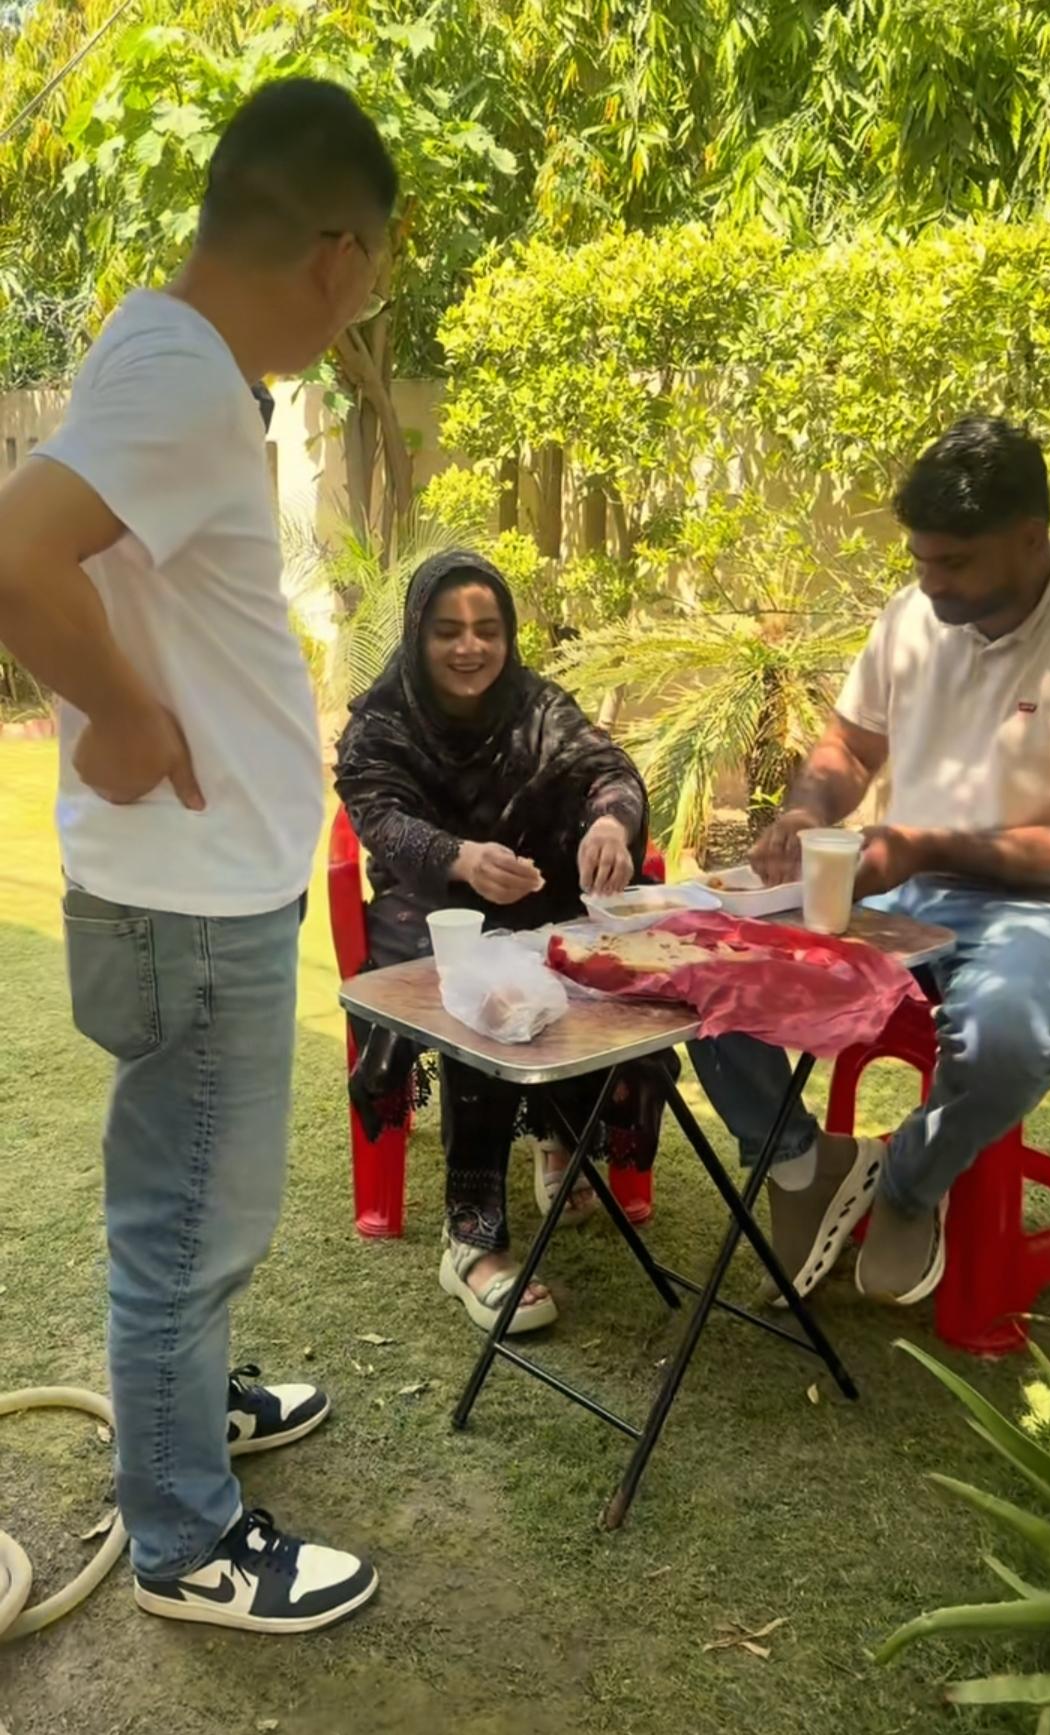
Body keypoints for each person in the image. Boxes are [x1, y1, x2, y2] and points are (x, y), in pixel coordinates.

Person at [0, 79, 398, 1634]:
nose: (364, 300)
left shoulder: (164, 351)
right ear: (337, 250)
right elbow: (16, 551)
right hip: (192, 899)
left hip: (197, 886)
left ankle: (190, 1399)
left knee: (185, 1199)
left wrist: (136, 703)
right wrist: (120, 712)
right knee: (184, 1221)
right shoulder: (178, 372)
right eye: (376, 271)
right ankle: (187, 1538)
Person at [691, 416, 1050, 1309]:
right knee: (702, 958)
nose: (929, 582)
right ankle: (802, 1164)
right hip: (904, 890)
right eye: (920, 560)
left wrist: (923, 843)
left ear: (1030, 538)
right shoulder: (913, 615)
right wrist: (807, 809)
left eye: (954, 563)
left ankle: (908, 1183)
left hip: (1047, 906)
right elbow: (851, 745)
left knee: (1008, 1035)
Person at [335, 551, 674, 1333]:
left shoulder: (537, 706)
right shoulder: (381, 726)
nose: (471, 647)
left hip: (535, 895)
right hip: (426, 911)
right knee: (483, 990)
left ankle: (561, 1133)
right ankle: (471, 1237)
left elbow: (608, 767)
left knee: (592, 955)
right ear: (417, 635)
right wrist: (460, 857)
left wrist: (609, 824)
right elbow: (382, 819)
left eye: (487, 629)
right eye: (448, 630)